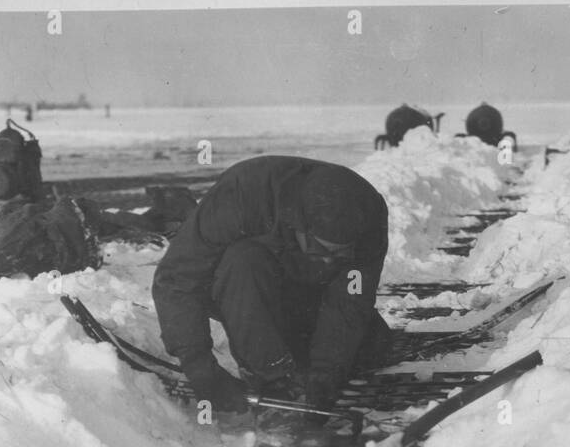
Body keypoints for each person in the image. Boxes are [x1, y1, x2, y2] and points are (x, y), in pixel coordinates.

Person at [152, 156, 391, 413]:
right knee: (242, 259)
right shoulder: (242, 195)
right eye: (318, 248)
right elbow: (177, 279)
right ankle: (270, 374)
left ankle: (299, 359)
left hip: (308, 297)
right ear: (299, 223)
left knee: (369, 349)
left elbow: (351, 297)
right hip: (242, 291)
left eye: (338, 255)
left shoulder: (368, 216)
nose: (326, 259)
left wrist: (327, 371)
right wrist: (199, 367)